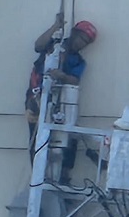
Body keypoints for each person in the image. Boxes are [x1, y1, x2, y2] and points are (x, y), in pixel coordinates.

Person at [24, 13, 97, 183]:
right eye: (81, 38)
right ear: (74, 32)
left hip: (60, 105)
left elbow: (75, 80)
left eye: (86, 42)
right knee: (36, 139)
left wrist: (62, 75)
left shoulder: (77, 61)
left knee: (69, 138)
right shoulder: (53, 45)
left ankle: (64, 175)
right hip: (36, 98)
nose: (81, 44)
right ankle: (38, 175)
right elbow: (37, 45)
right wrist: (56, 26)